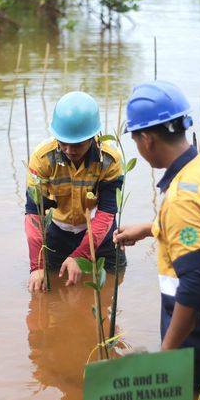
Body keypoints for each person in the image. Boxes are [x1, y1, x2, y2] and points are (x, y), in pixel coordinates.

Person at [113, 80, 200, 388]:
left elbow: (195, 283)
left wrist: (167, 355)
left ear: (147, 139)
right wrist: (153, 228)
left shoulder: (180, 200)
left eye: (135, 139)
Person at [26, 91, 126, 293]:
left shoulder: (110, 160)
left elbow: (106, 213)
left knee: (113, 284)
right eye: (63, 143)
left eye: (78, 144)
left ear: (92, 137)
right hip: (57, 231)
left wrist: (81, 256)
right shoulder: (42, 158)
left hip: (99, 233)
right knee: (49, 290)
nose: (70, 150)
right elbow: (34, 213)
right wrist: (37, 266)